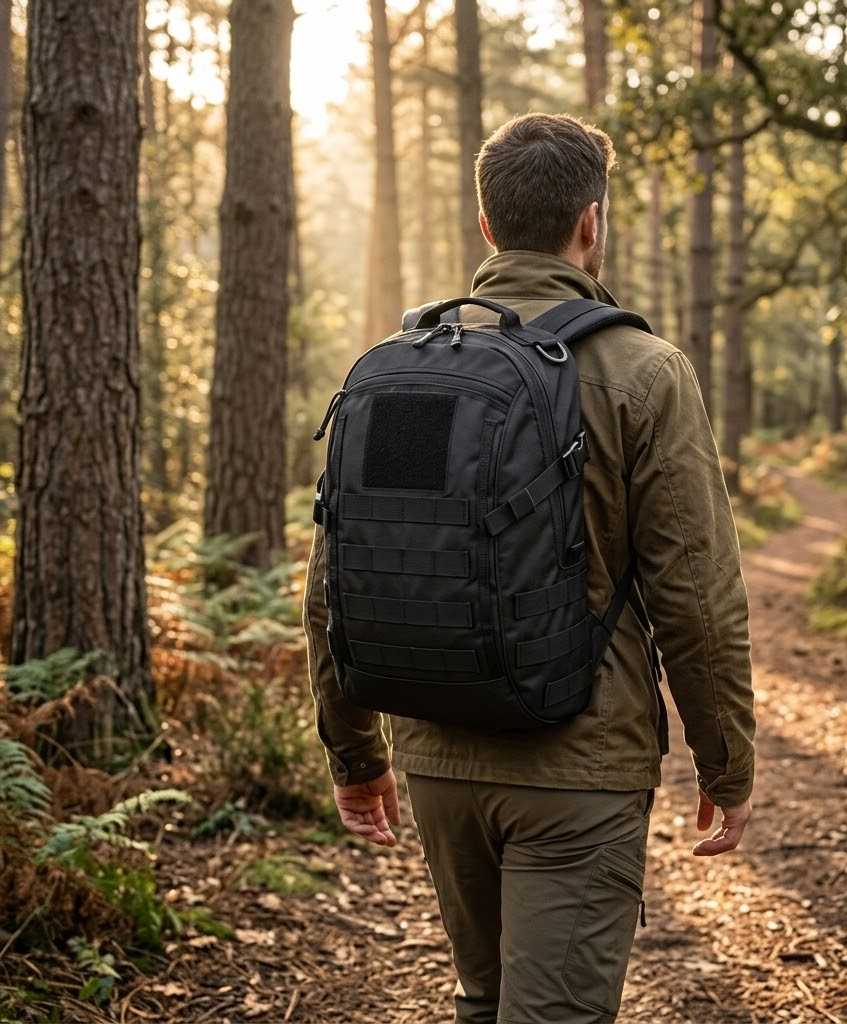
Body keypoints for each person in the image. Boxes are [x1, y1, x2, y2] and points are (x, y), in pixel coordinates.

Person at [303, 112, 755, 1024]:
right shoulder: (644, 370)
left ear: (486, 227)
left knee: (485, 1002)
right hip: (577, 770)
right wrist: (727, 762)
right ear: (591, 221)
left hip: (433, 754)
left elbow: (334, 581)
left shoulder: (398, 372)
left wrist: (355, 753)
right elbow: (694, 597)